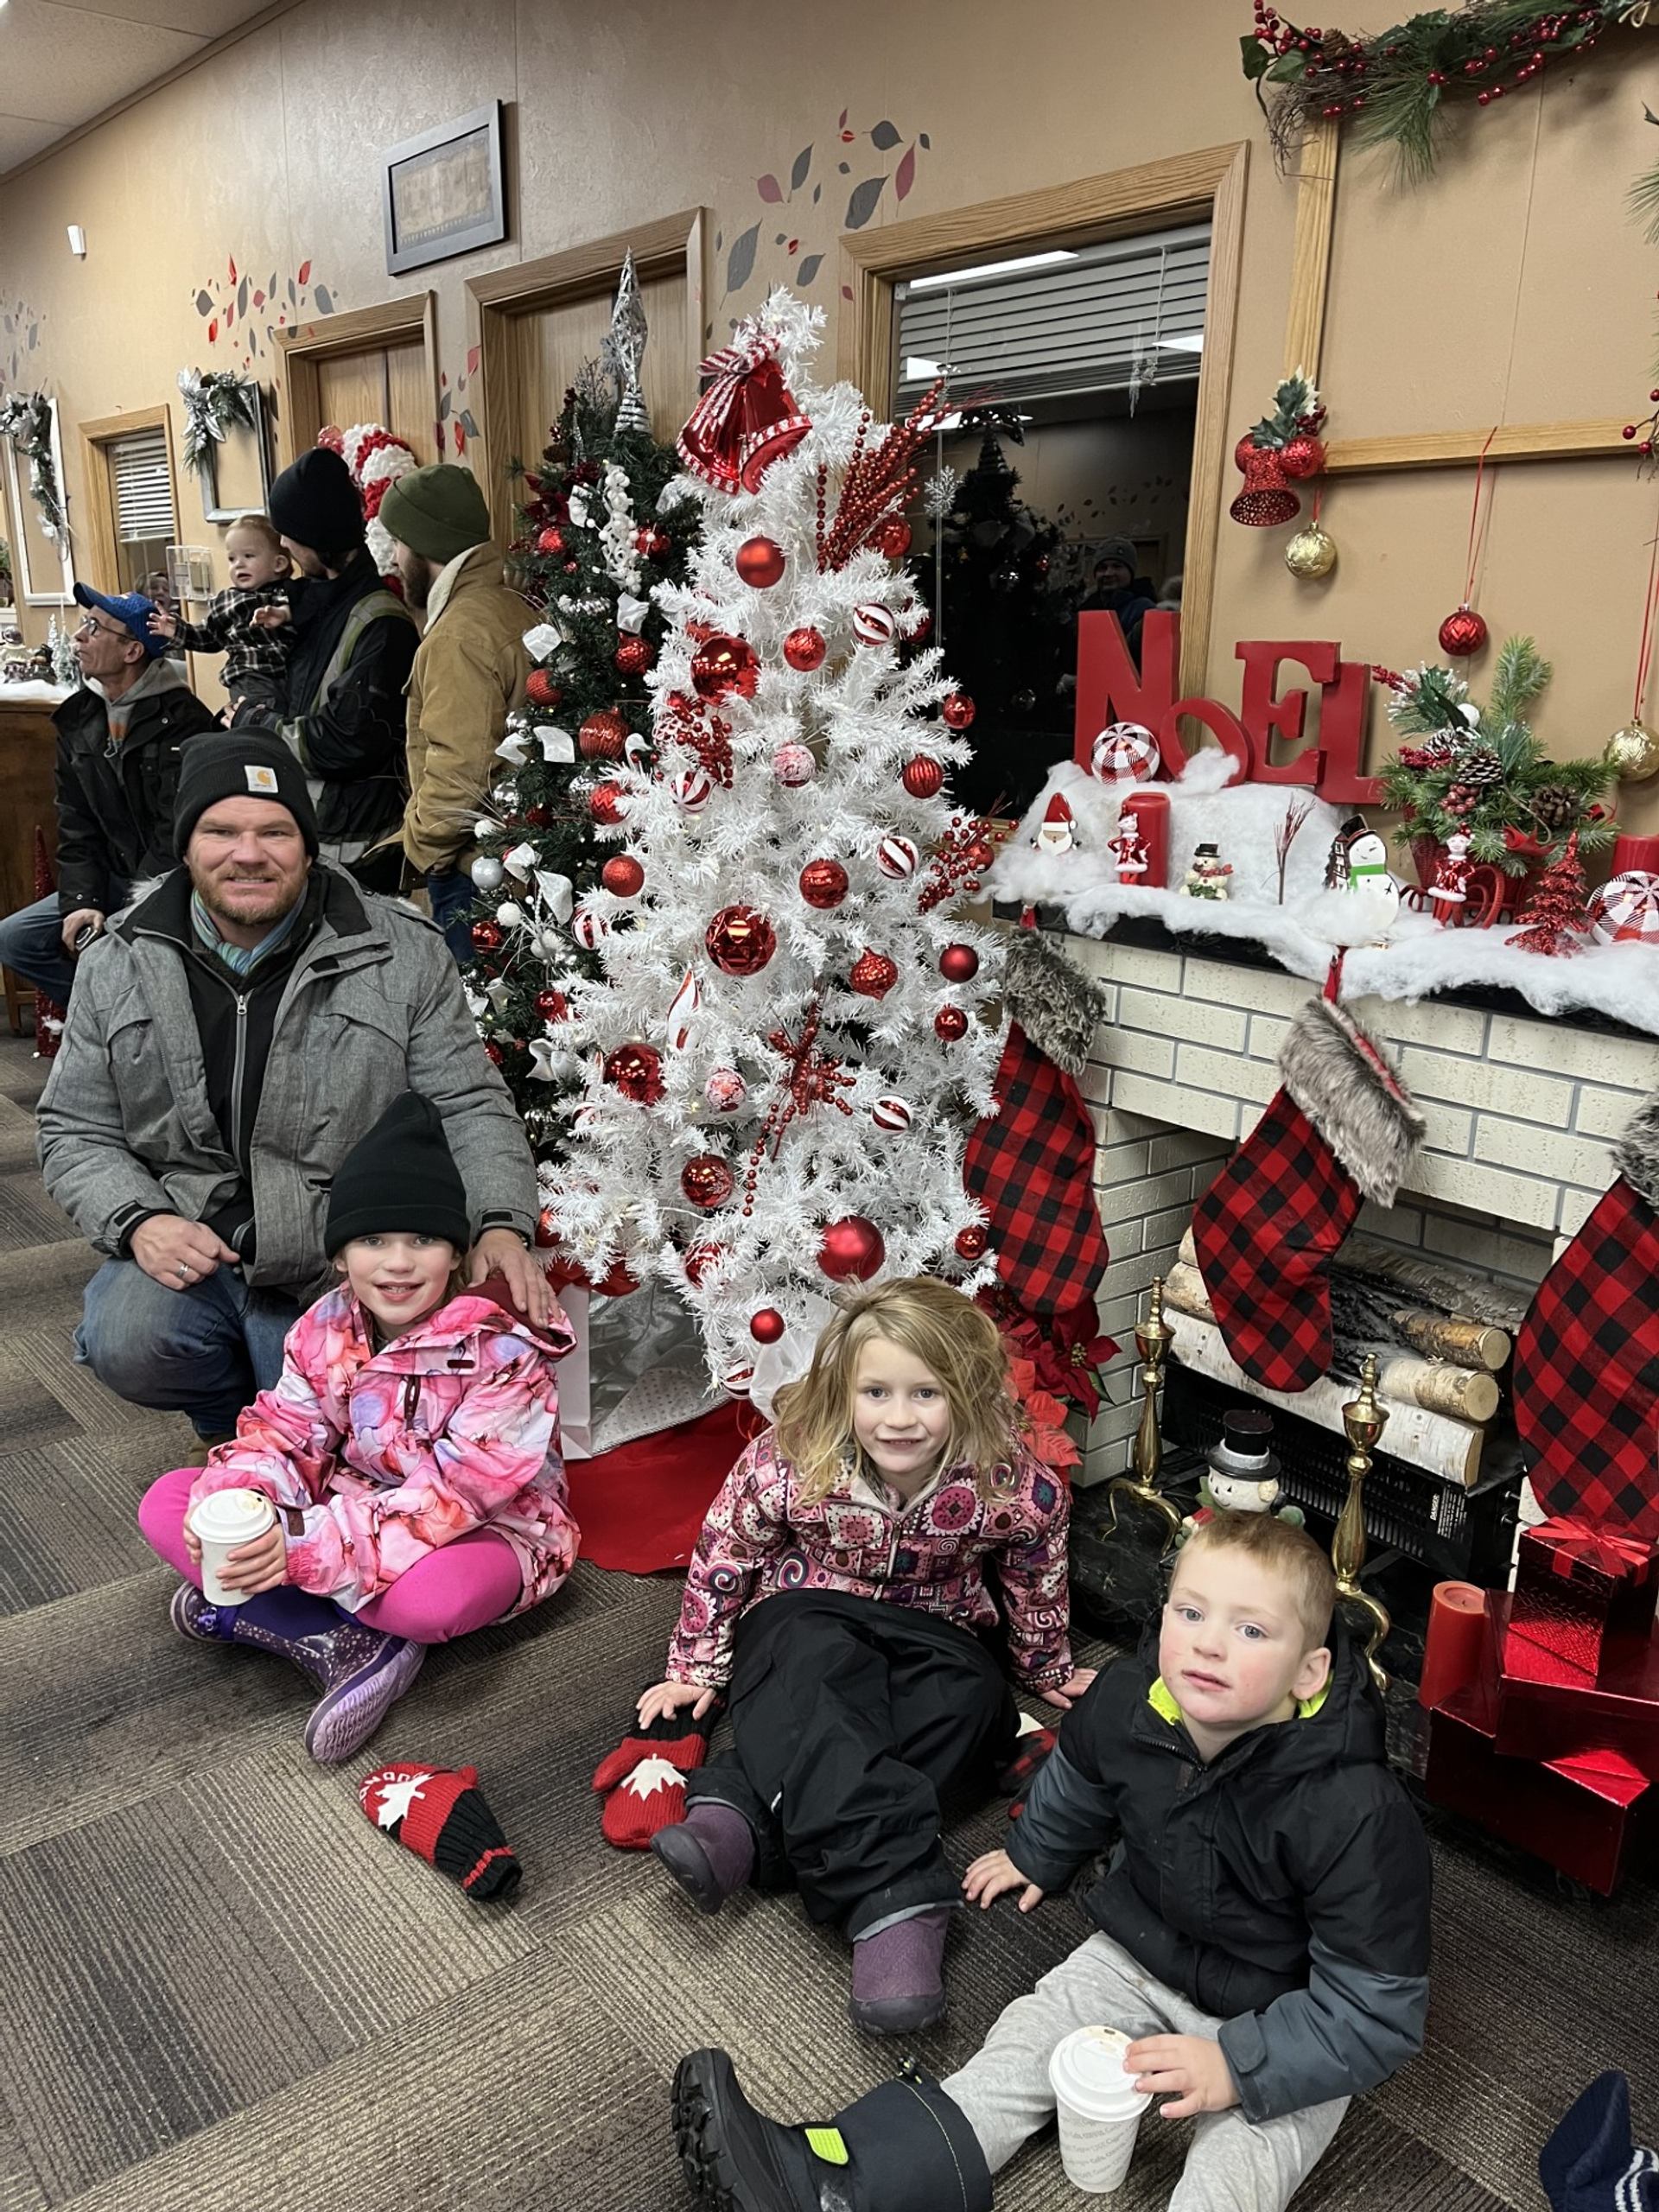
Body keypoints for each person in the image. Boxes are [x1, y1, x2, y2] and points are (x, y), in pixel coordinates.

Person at [668, 1510, 1432, 2212]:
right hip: (1137, 1953)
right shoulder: (1130, 1702)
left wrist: (1238, 2067)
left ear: (1310, 1674)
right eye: (1191, 1614)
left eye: (1252, 1631)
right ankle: (839, 2183)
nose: (1207, 1643)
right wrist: (1036, 1853)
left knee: (1241, 2165)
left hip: (1287, 2013)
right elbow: (1081, 1782)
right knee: (1021, 2049)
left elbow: (1374, 2012)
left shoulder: (1356, 1812)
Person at [36, 730, 546, 1445]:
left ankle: (303, 1406)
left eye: (275, 831)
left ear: (308, 846)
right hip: (198, 1236)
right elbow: (75, 1127)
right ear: (186, 846)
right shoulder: (118, 960)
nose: (248, 854)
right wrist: (140, 1221)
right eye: (221, 831)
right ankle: (226, 1423)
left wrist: (499, 1221)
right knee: (130, 1337)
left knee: (353, 1431)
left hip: (345, 1253)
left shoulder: (402, 950)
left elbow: (466, 1101)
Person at [639, 1277, 1092, 2037]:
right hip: (807, 1615)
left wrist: (1043, 1665)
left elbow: (1034, 1565)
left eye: (925, 1395)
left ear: (968, 1395)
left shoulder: (1010, 1482)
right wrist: (695, 1663)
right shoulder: (788, 1459)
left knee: (969, 1708)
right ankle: (898, 1893)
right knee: (814, 1674)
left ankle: (746, 1817)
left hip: (938, 1633)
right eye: (876, 1392)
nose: (899, 1418)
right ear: (843, 1390)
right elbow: (725, 1553)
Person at [135, 1091, 578, 1763]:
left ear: (456, 1254)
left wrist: (296, 1551)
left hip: (489, 1527)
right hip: (355, 1504)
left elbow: (452, 1501)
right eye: (373, 1240)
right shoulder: (323, 1326)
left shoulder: (505, 1354)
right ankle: (341, 1635)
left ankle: (276, 1617)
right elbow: (282, 1432)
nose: (398, 1263)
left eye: (422, 1239)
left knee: (430, 1604)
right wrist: (247, 1506)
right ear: (341, 1256)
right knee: (173, 1504)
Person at [0, 582, 219, 1007]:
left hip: (173, 883)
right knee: (17, 939)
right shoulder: (79, 719)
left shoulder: (185, 722)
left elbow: (178, 834)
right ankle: (114, 1015)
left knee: (124, 944)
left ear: (132, 651)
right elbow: (76, 828)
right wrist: (83, 901)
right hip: (112, 879)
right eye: (85, 624)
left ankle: (139, 1020)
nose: (79, 636)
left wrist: (129, 909)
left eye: (95, 629)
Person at [234, 445, 417, 890]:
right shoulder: (312, 605)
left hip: (355, 854)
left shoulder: (382, 624)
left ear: (318, 537)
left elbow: (343, 741)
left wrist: (256, 723)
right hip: (311, 839)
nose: (283, 546)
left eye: (289, 534)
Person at [376, 461, 530, 960]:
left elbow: (459, 770)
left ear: (426, 545)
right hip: (515, 866)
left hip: (472, 876)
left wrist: (421, 849)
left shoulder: (458, 636)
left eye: (400, 542)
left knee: (474, 1030)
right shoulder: (512, 605)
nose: (396, 559)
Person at [146, 514, 299, 713]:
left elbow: (306, 613)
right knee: (264, 728)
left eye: (249, 556)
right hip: (251, 677)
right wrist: (177, 630)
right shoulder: (228, 601)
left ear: (278, 564)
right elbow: (209, 637)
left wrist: (283, 613)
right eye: (232, 559)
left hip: (294, 675)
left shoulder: (292, 591)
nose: (239, 565)